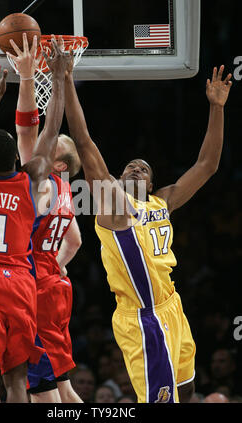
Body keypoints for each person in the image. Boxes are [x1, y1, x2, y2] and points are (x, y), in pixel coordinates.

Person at [64, 61, 232, 403]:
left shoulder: (162, 202)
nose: (137, 167)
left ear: (153, 184)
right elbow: (84, 142)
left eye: (144, 168)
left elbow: (207, 165)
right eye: (130, 166)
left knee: (186, 392)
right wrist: (66, 78)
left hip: (173, 306)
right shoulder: (113, 206)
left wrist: (216, 108)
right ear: (118, 180)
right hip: (143, 320)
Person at [0, 35, 70, 403]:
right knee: (17, 379)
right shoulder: (32, 178)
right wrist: (57, 79)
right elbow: (50, 132)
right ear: (17, 163)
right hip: (20, 280)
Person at [10, 35, 82, 403]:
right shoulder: (66, 192)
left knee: (43, 395)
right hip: (55, 288)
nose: (43, 143)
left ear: (56, 164)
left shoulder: (41, 182)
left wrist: (26, 77)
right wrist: (59, 265)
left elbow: (28, 127)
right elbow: (75, 242)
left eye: (52, 146)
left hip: (36, 288)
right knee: (64, 390)